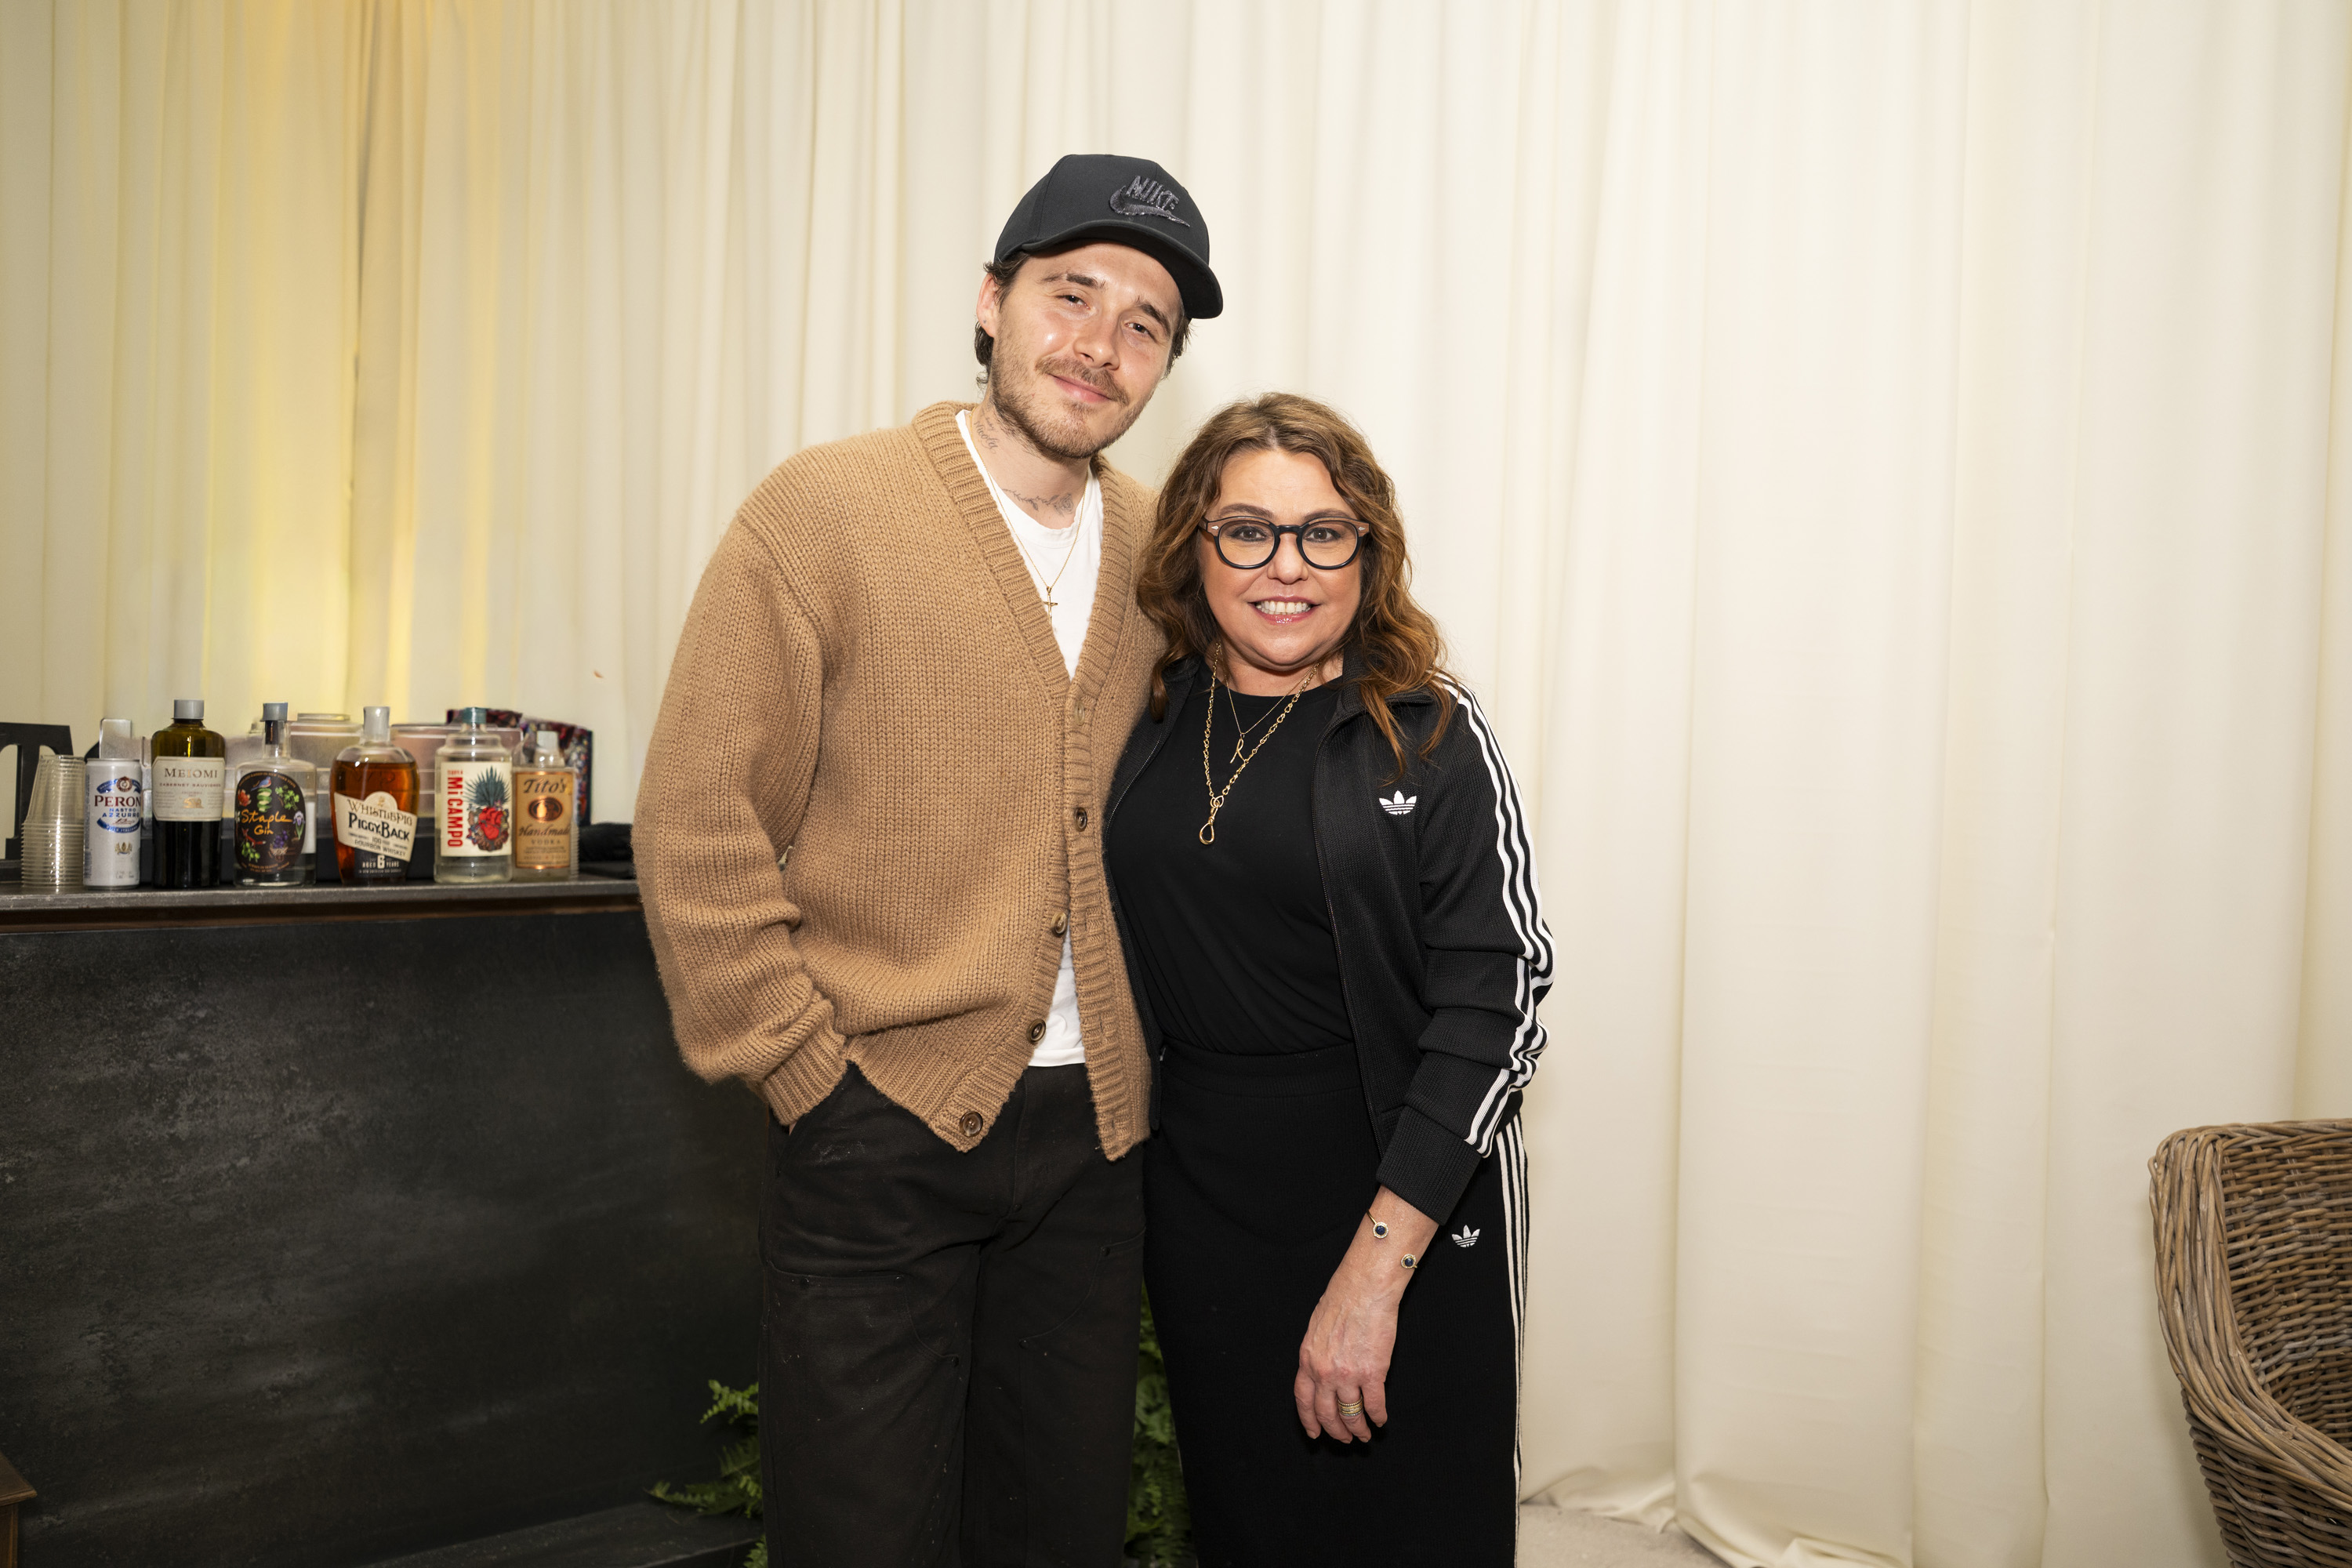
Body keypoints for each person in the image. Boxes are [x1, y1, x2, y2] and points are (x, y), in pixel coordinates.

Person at [634, 154, 1221, 1567]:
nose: (1101, 342)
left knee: (1054, 1532)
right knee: (862, 1534)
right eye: (1071, 293)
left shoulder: (1167, 553)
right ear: (990, 301)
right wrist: (804, 1073)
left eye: (1145, 322)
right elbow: (699, 818)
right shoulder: (823, 514)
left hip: (1096, 1144)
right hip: (874, 1121)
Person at [1103, 394, 1554, 1565]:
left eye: (1324, 533)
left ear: (1369, 552)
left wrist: (1373, 1275)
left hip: (1399, 1193)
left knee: (1411, 1526)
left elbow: (1498, 1005)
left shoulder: (1427, 733)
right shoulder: (1151, 715)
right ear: (1195, 546)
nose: (1286, 567)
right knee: (1249, 1520)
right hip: (1204, 1201)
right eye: (1247, 531)